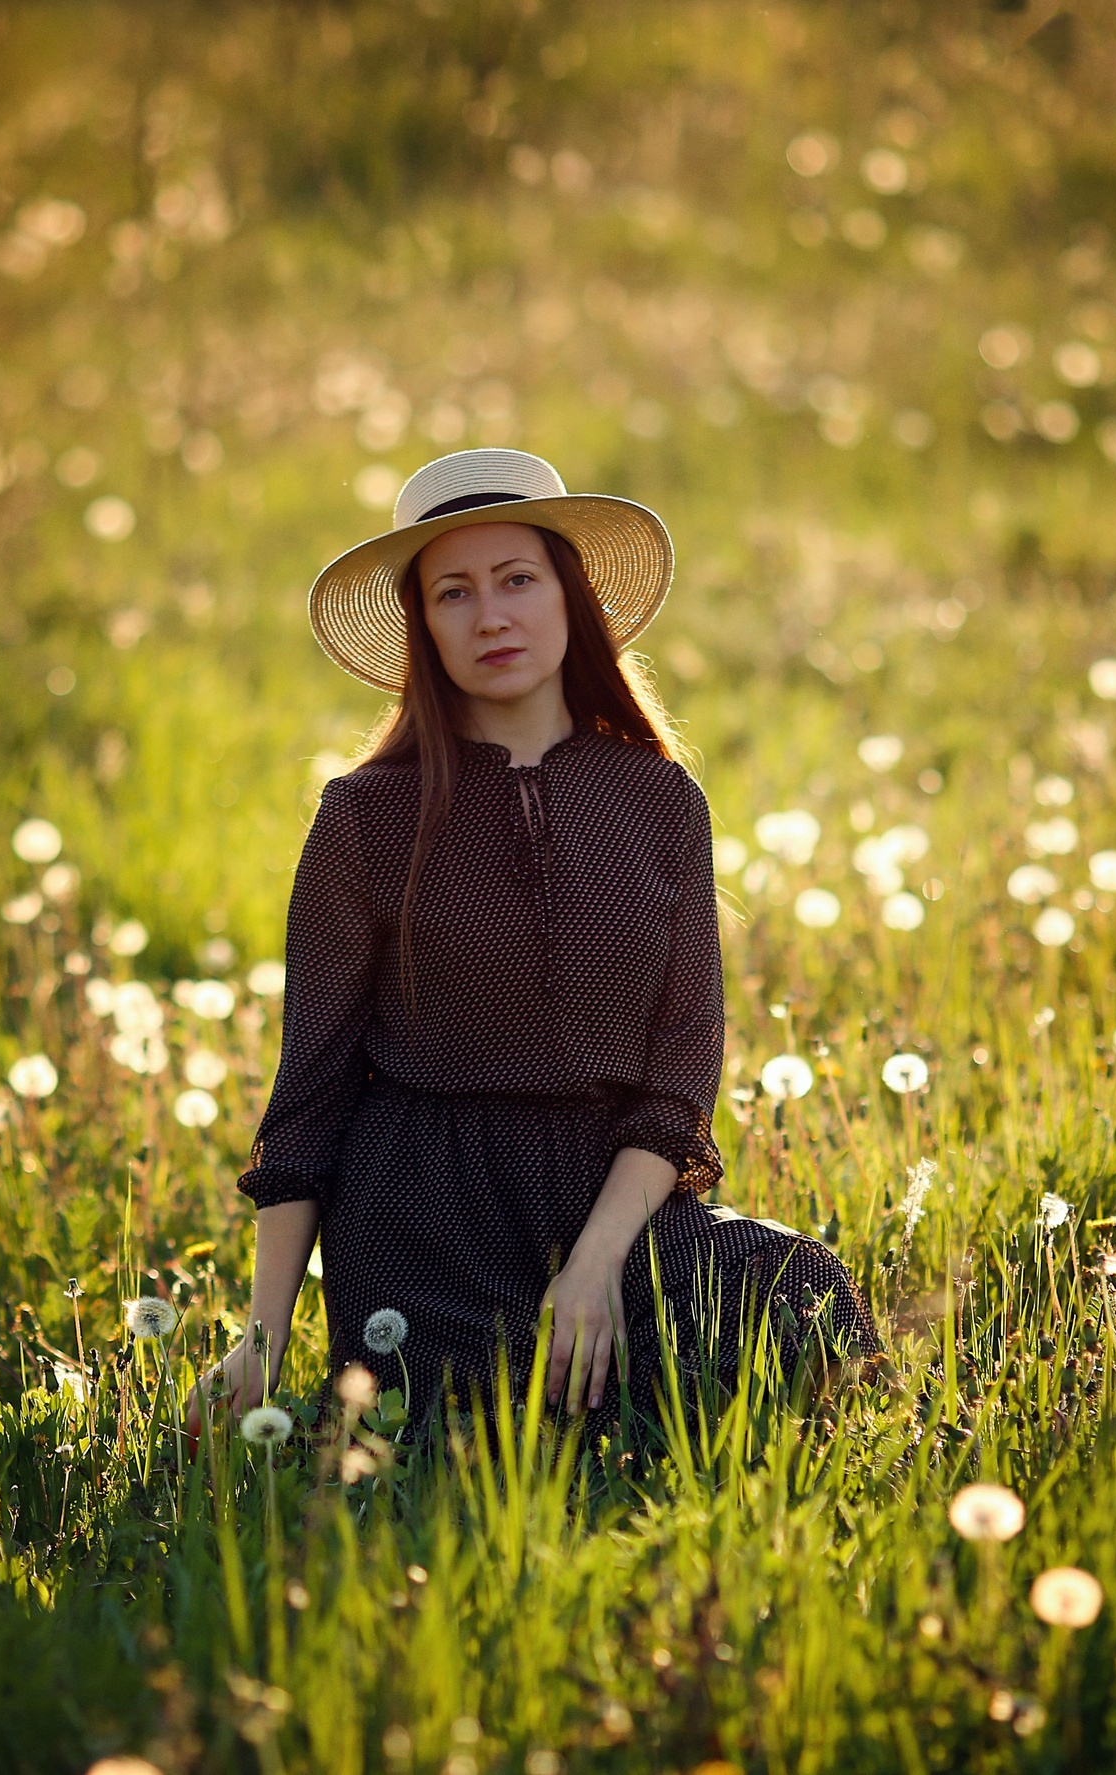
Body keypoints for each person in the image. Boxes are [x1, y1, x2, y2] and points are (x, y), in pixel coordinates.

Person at [198, 448, 886, 1459]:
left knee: (794, 1297)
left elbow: (679, 1071)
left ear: (570, 597)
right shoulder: (364, 816)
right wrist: (260, 1335)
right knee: (484, 1436)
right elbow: (309, 1094)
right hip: (424, 1217)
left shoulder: (660, 803)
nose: (492, 617)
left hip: (613, 1199)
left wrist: (600, 1258)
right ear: (423, 625)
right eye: (454, 592)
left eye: (517, 579)